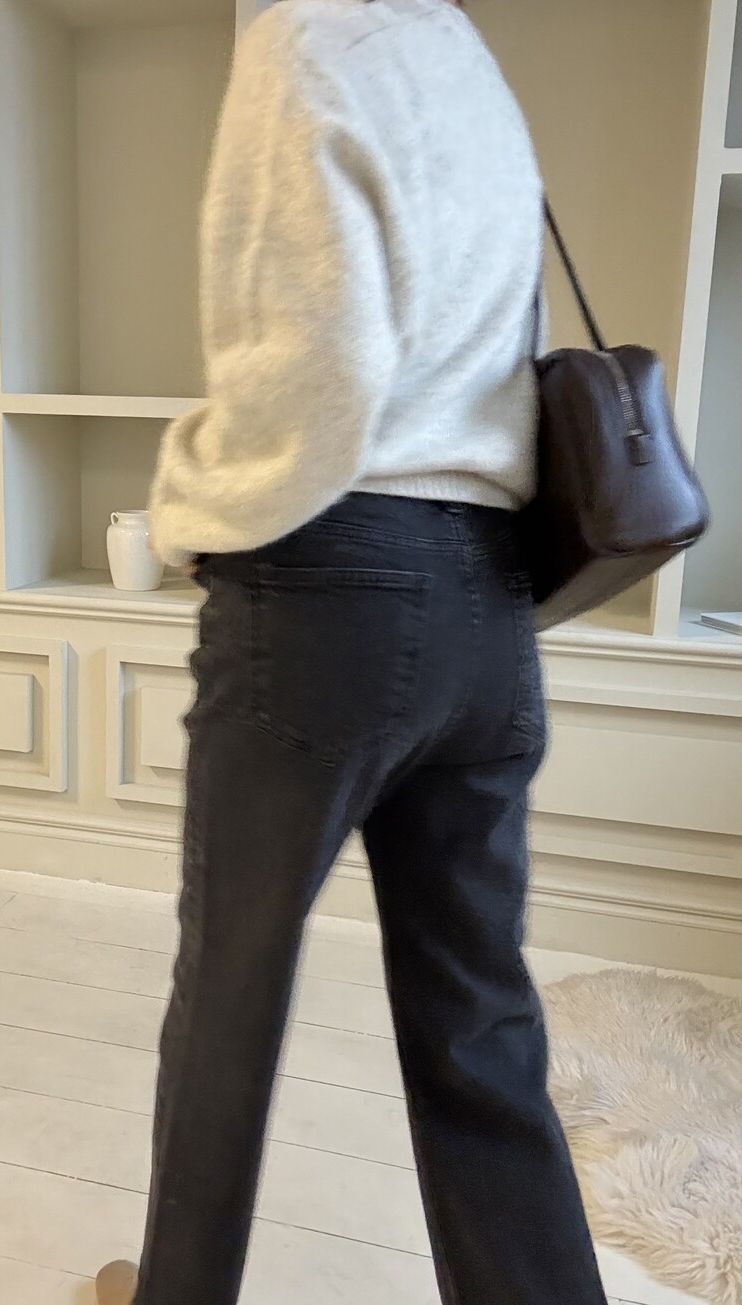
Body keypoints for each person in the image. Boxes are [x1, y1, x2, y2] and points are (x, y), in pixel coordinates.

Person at [97, 1, 608, 1302]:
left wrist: (189, 509)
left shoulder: (306, 39)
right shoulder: (463, 56)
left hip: (329, 590)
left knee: (229, 999)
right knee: (479, 1022)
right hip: (490, 601)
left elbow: (313, 376)